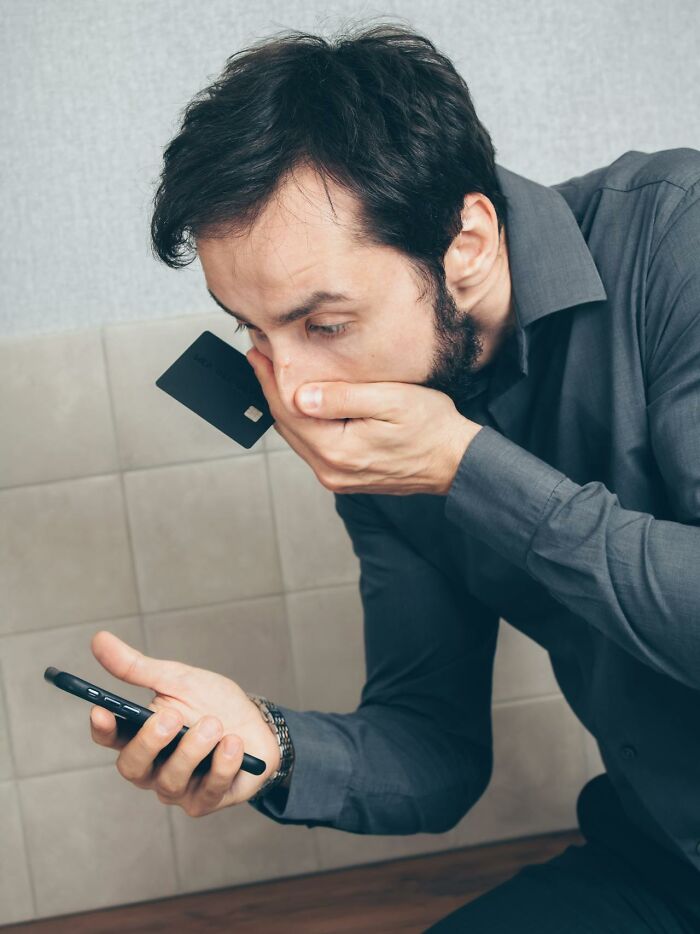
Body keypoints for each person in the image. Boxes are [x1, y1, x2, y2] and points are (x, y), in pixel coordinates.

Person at [89, 22, 700, 931]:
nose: (295, 391)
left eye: (325, 325)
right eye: (254, 329)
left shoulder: (676, 238)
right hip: (664, 861)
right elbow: (435, 748)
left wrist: (467, 466)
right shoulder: (385, 438)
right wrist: (270, 743)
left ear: (468, 244)